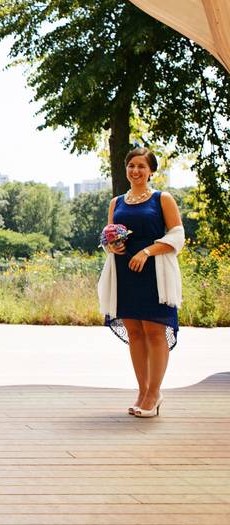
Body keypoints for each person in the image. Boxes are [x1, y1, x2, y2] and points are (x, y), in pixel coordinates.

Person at [98, 147, 183, 418]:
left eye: (141, 167)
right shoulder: (117, 202)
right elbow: (109, 236)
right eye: (131, 165)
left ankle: (154, 393)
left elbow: (177, 234)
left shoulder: (162, 199)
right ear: (126, 169)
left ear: (151, 171)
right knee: (134, 333)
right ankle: (142, 390)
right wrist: (113, 247)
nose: (135, 171)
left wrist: (147, 252)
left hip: (153, 272)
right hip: (125, 273)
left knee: (155, 332)